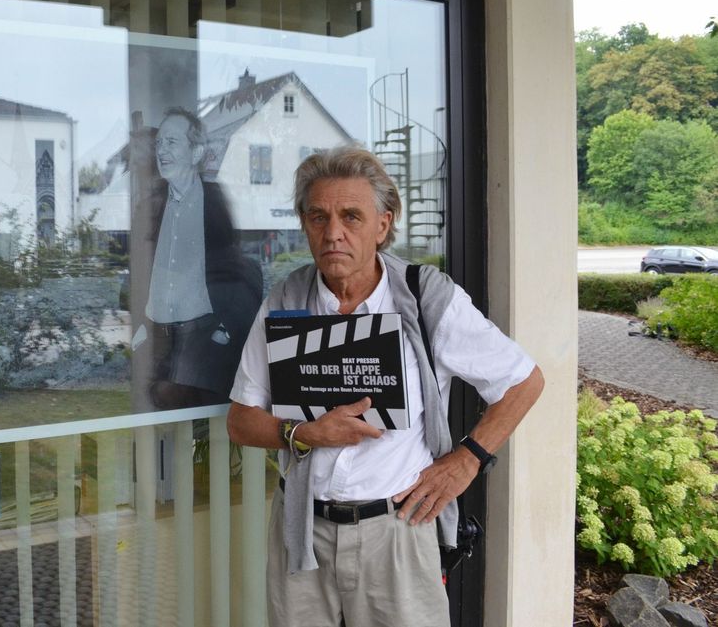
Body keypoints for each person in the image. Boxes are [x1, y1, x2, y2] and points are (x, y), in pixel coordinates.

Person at [226, 147, 544, 627]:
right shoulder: (286, 299)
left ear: (383, 224)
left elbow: (523, 381)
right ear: (304, 224)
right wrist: (305, 433)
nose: (333, 232)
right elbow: (241, 420)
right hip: (303, 531)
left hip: (397, 530)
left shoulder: (425, 296)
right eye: (318, 217)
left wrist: (466, 461)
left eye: (351, 216)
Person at [133, 107, 262, 410]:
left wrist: (222, 330)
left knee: (191, 415)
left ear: (196, 152)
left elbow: (232, 267)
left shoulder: (210, 202)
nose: (162, 151)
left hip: (204, 339)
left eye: (172, 143)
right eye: (160, 144)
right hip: (169, 339)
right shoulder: (157, 203)